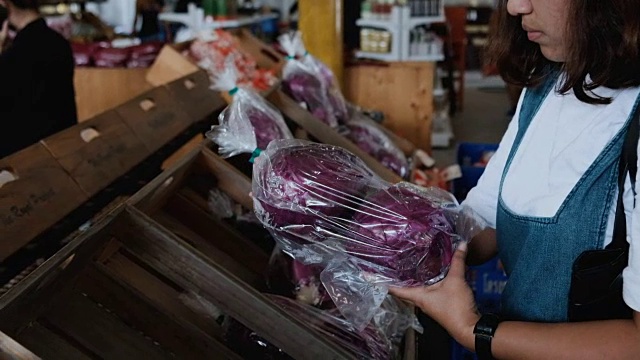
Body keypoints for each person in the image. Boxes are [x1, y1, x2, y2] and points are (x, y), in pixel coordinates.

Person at [391, 0, 640, 358]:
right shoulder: (548, 83)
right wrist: (396, 237)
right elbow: (486, 218)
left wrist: (474, 331)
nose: (515, 7)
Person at [0, 0, 77, 158]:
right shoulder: (59, 43)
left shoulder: (16, 54)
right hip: (62, 151)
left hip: (22, 160)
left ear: (4, 3)